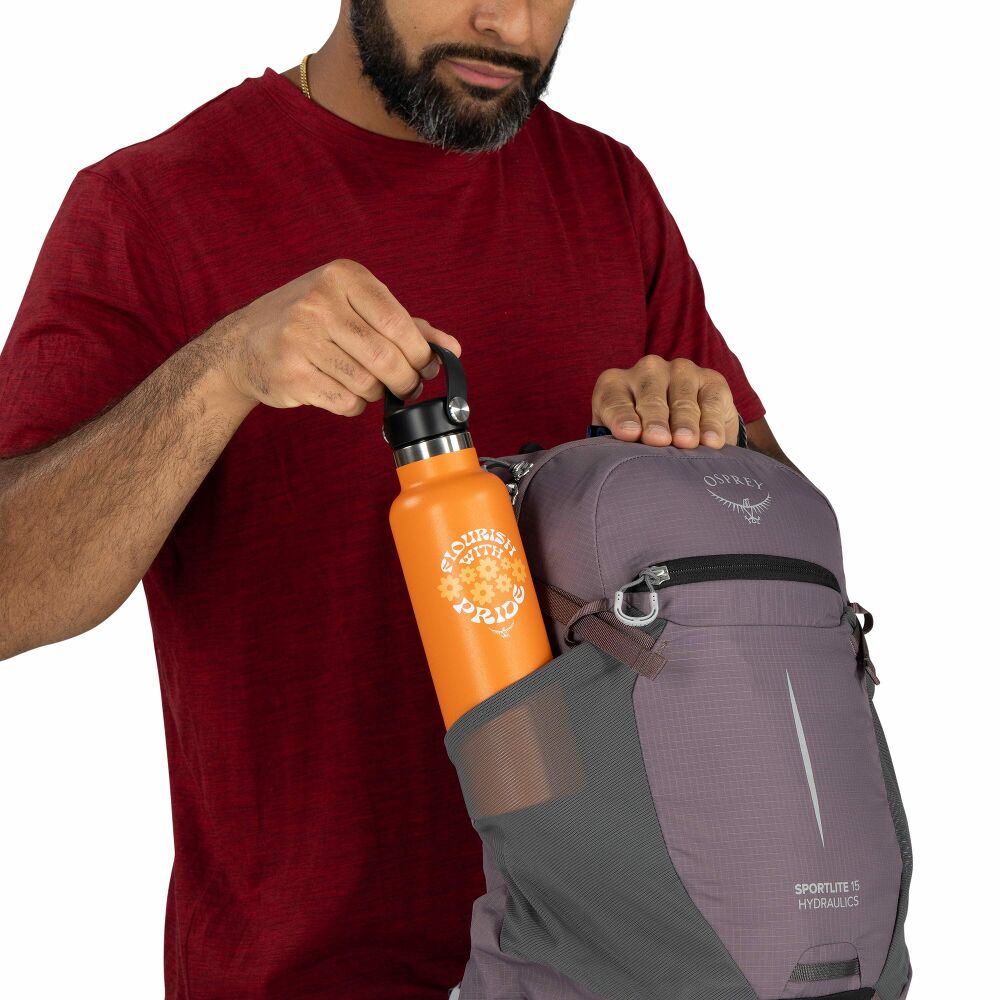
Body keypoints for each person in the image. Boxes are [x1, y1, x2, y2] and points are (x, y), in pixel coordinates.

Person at [0, 1, 792, 997]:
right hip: (316, 975)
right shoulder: (150, 205)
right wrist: (221, 370)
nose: (509, 22)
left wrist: (692, 447)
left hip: (635, 965)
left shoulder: (607, 190)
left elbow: (784, 561)